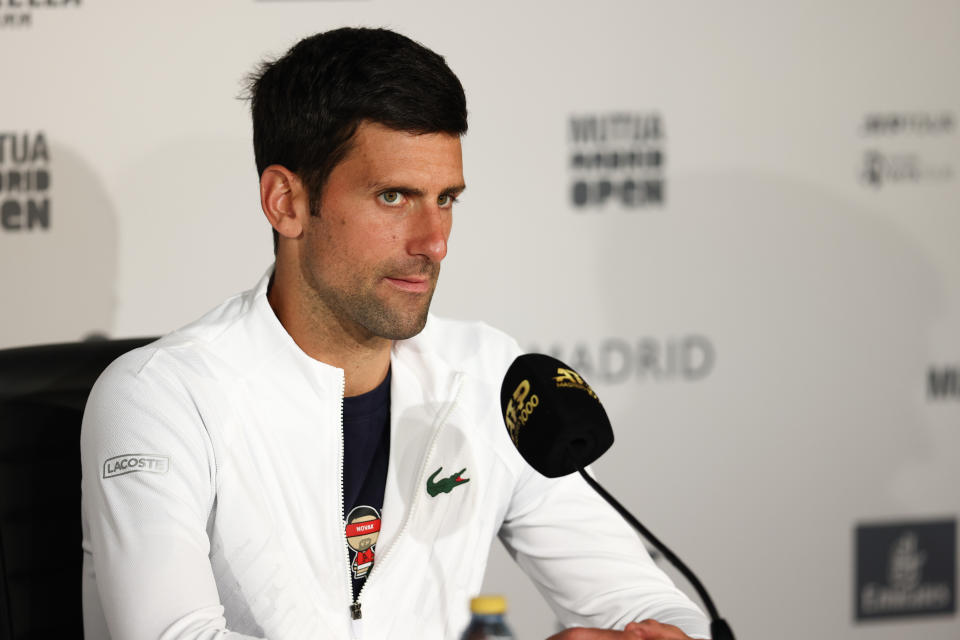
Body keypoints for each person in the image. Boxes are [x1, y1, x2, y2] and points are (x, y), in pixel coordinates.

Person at [80, 27, 711, 640]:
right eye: (393, 197)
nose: (433, 241)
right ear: (286, 202)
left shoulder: (490, 376)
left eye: (446, 199)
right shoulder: (160, 396)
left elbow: (645, 602)